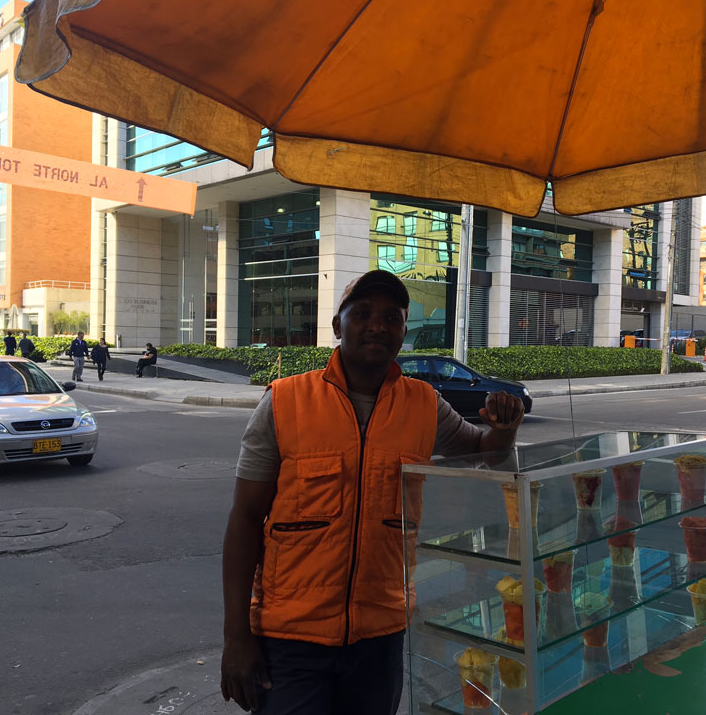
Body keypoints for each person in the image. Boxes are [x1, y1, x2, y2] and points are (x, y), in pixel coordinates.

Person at [220, 270, 525, 715]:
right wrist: (235, 637)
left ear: (404, 331)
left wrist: (505, 427)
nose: (378, 325)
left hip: (381, 635)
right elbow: (245, 519)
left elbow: (487, 452)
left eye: (392, 317)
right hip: (291, 636)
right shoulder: (285, 402)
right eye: (362, 313)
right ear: (337, 326)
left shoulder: (424, 404)